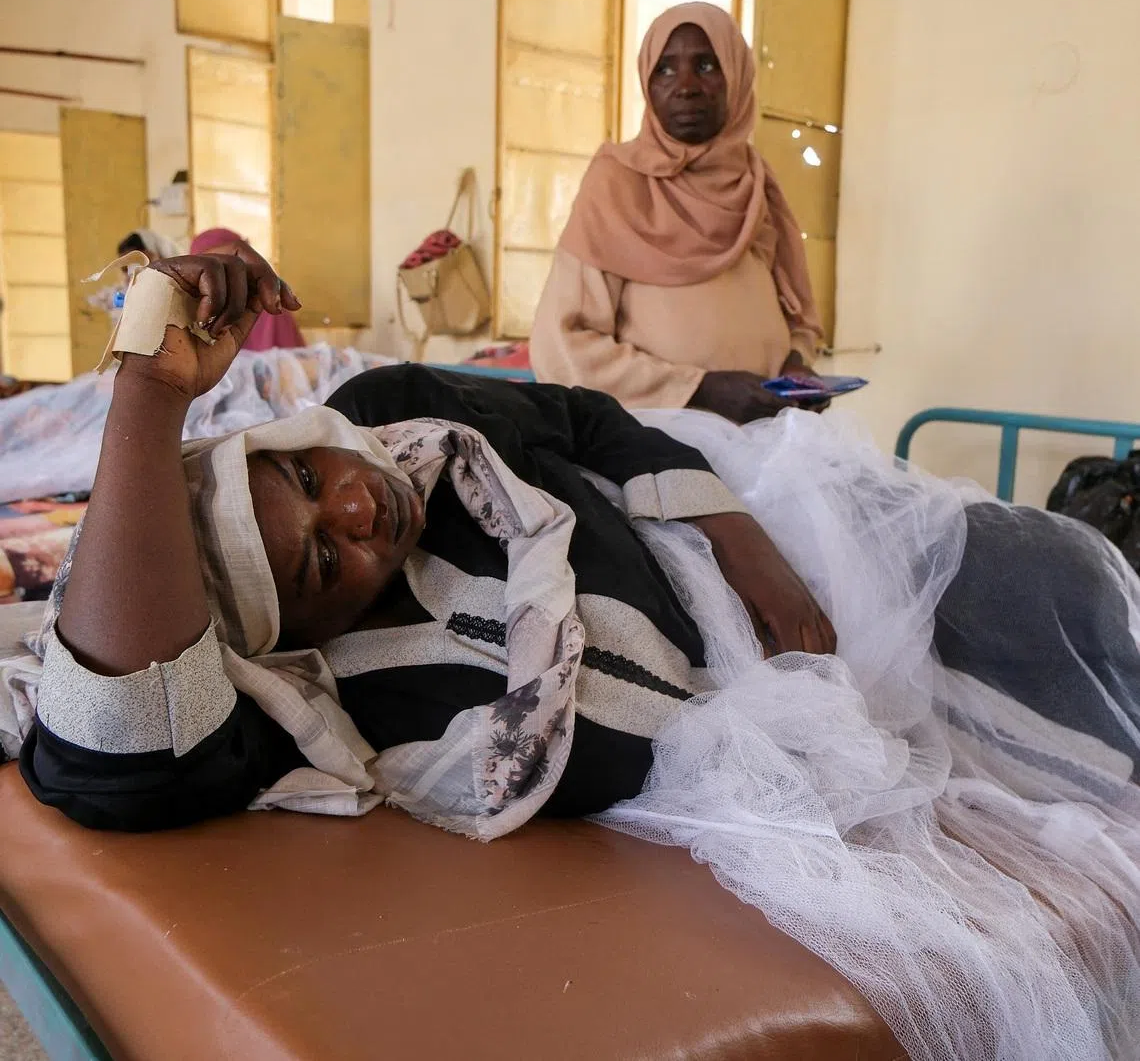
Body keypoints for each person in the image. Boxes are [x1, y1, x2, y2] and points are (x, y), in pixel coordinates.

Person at [7, 252, 1140, 1060]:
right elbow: (109, 745)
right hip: (778, 682)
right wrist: (146, 399)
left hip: (772, 548)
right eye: (319, 565)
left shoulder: (396, 407)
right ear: (293, 638)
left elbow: (592, 423)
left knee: (1046, 576)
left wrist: (748, 547)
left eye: (308, 473)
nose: (356, 509)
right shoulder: (330, 703)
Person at [530, 3, 825, 423]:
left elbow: (799, 315)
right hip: (661, 436)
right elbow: (560, 347)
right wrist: (698, 390)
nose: (685, 86)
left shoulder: (757, 183)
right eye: (665, 70)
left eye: (706, 65)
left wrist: (796, 363)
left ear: (737, 77)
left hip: (770, 431)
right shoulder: (616, 183)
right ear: (646, 85)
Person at [191, 227, 306, 352]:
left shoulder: (269, 307)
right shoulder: (193, 314)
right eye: (211, 269)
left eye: (229, 265)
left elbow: (294, 364)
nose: (223, 277)